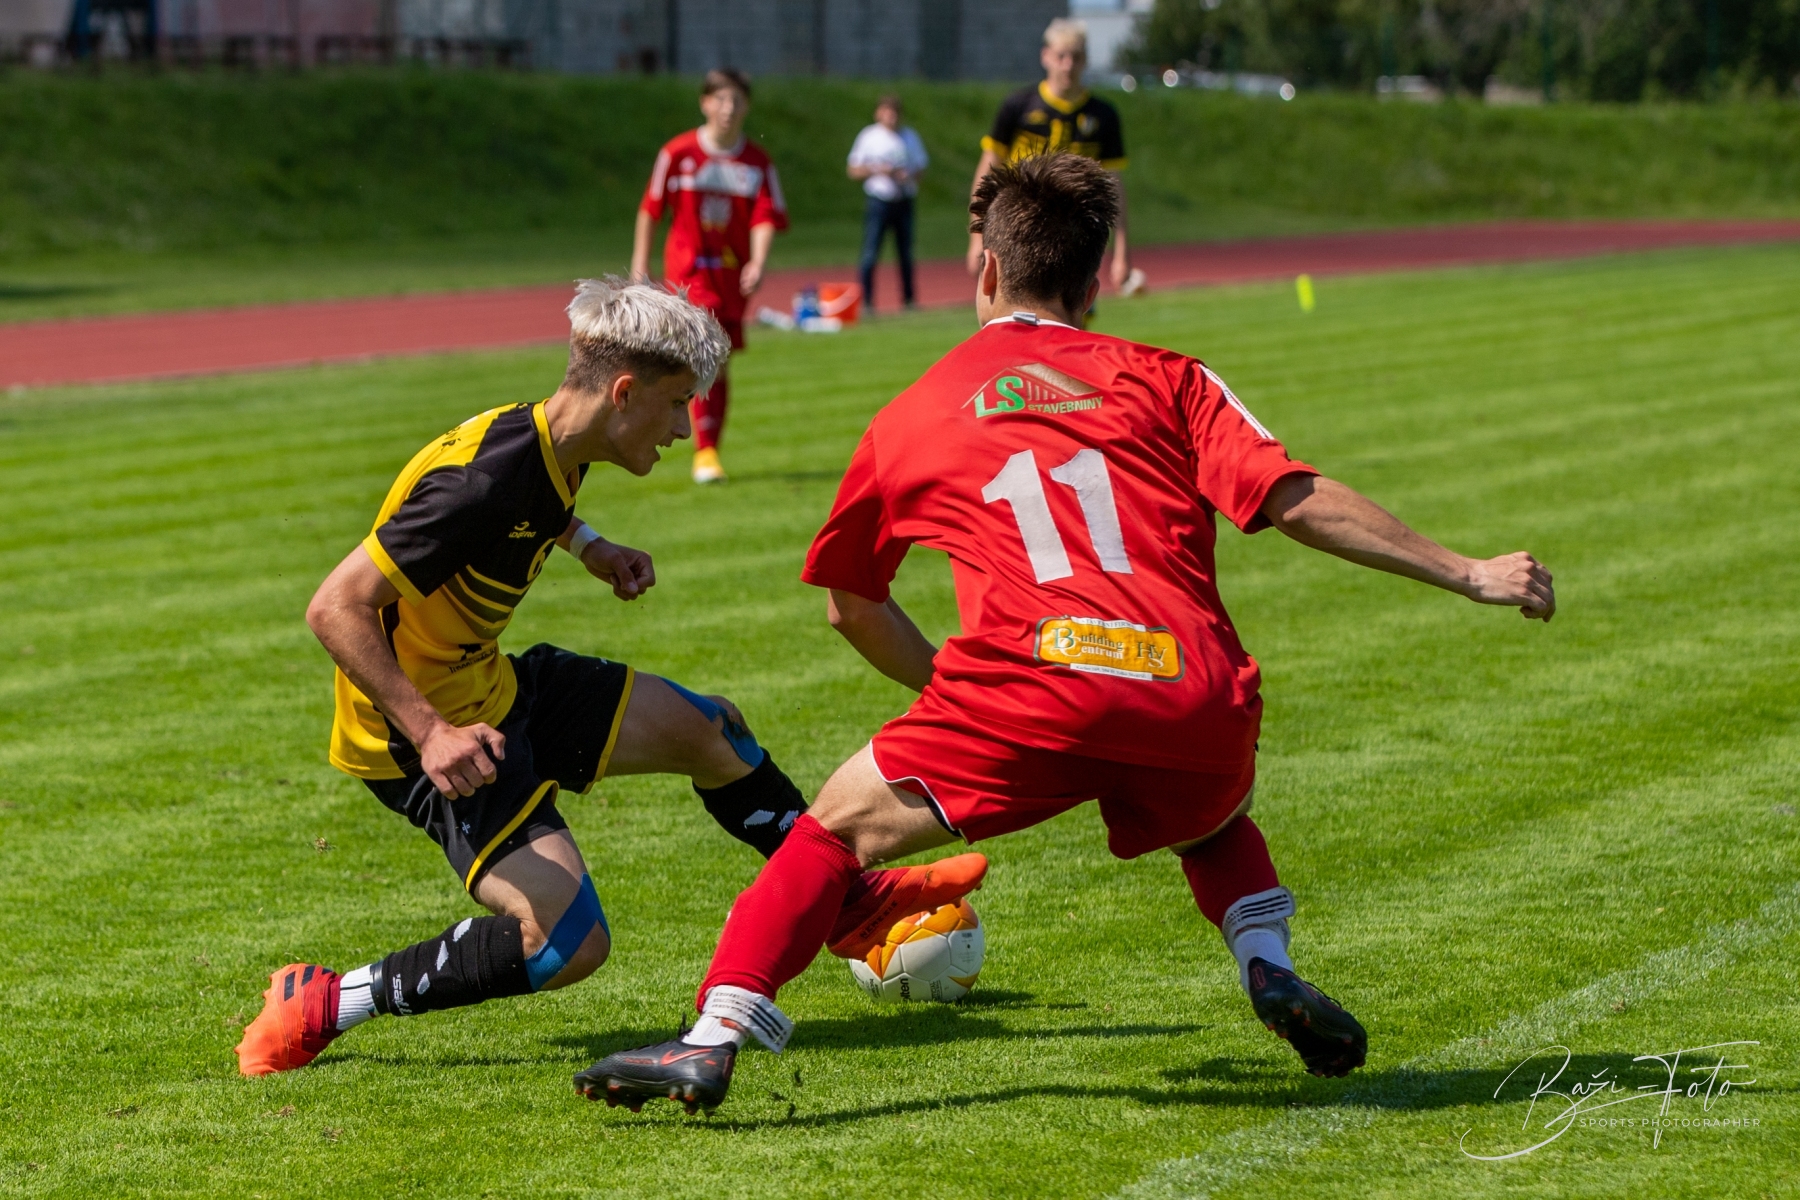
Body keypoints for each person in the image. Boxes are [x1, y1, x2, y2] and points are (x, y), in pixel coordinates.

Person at [576, 155, 1557, 1113]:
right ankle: (1266, 964)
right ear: (1093, 283)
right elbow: (1293, 499)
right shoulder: (1170, 378)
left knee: (831, 835)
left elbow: (850, 603)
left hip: (1025, 690)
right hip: (1188, 688)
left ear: (987, 270)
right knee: (1213, 824)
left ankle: (713, 1039)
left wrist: (952, 691)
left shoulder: (914, 412)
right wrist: (1468, 571)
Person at [234, 279, 984, 1077]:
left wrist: (590, 545)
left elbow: (534, 505)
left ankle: (852, 908)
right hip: (427, 738)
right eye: (676, 404)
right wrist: (430, 733)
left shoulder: (548, 441)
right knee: (566, 943)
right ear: (623, 393)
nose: (683, 428)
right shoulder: (480, 480)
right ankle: (326, 1000)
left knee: (713, 732)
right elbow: (335, 606)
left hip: (492, 687)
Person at [633, 68, 787, 486]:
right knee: (702, 353)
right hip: (688, 275)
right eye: (720, 99)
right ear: (704, 103)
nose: (728, 108)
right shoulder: (678, 153)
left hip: (732, 279)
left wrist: (758, 262)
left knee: (715, 362)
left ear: (747, 106)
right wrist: (640, 263)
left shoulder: (756, 163)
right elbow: (651, 209)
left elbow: (765, 216)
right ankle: (699, 448)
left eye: (736, 100)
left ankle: (705, 447)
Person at [966, 18, 1140, 299]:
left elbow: (1114, 185)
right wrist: (976, 236)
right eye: (1061, 56)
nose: (1068, 65)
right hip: (1018, 225)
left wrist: (1122, 251)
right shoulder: (1018, 106)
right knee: (1014, 303)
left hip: (1075, 230)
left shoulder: (1103, 115)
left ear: (1086, 60)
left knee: (1071, 309)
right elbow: (987, 170)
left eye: (1076, 57)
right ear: (1045, 56)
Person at [847, 95, 929, 313]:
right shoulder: (869, 136)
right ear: (878, 113)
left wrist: (907, 175)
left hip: (904, 199)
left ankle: (909, 299)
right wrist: (878, 170)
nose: (891, 117)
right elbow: (853, 169)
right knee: (870, 252)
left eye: (894, 112)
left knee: (905, 253)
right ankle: (867, 301)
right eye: (886, 111)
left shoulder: (909, 137)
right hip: (879, 200)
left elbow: (921, 168)